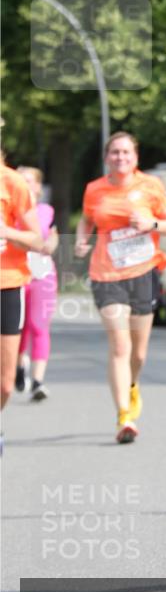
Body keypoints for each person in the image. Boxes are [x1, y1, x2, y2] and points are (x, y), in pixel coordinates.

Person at [74, 132, 166, 444]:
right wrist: (82, 239)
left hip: (144, 272)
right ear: (107, 157)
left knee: (139, 352)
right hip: (106, 274)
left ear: (135, 158)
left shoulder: (150, 186)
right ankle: (124, 416)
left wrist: (152, 225)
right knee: (119, 346)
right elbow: (86, 220)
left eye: (126, 153)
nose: (120, 157)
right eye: (114, 153)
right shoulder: (94, 189)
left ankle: (132, 385)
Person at [0, 154, 42, 419]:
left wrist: (7, 232)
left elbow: (37, 240)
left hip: (7, 285)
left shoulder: (12, 182)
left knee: (4, 384)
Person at [16, 167, 59, 401]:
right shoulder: (9, 210)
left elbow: (52, 236)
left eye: (29, 180)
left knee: (39, 326)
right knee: (18, 327)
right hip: (15, 274)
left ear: (38, 187)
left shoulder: (45, 210)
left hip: (42, 274)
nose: (23, 184)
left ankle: (38, 381)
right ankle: (19, 364)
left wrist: (50, 244)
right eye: (19, 180)